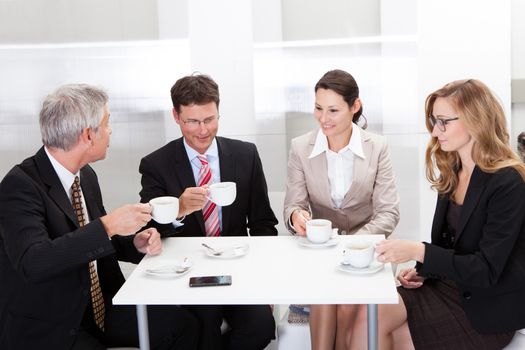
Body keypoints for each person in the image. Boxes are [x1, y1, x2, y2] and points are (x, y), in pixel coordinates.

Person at [0, 84, 199, 350]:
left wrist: (134, 243)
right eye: (107, 123)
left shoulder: (86, 175)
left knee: (183, 325)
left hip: (99, 307)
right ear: (87, 135)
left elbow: (98, 241)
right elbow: (33, 261)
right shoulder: (20, 185)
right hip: (53, 323)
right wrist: (108, 225)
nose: (111, 130)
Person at [351, 79, 525, 350]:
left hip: (486, 307)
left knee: (391, 338)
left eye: (444, 121)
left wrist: (419, 252)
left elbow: (486, 270)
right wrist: (424, 271)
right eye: (434, 121)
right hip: (447, 287)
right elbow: (451, 248)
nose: (435, 131)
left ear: (475, 120)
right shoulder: (453, 172)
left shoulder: (507, 182)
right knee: (367, 316)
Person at [139, 73, 278, 350]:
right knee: (205, 322)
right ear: (176, 117)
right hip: (188, 272)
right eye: (192, 121)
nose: (202, 130)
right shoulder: (156, 164)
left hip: (238, 269)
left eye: (209, 119)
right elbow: (149, 231)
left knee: (261, 326)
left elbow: (263, 223)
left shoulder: (245, 155)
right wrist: (178, 209)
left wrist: (266, 281)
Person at [283, 69, 400, 350]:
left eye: (333, 110)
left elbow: (388, 213)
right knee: (324, 294)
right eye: (318, 108)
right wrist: (296, 217)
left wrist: (351, 244)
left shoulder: (377, 147)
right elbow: (293, 205)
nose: (324, 119)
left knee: (348, 302)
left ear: (355, 106)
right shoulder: (300, 148)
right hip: (321, 252)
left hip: (365, 252)